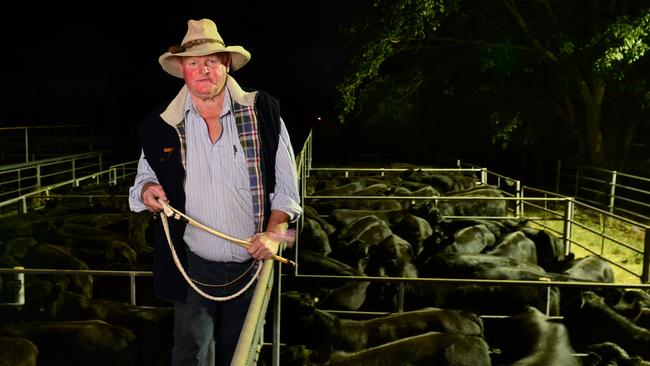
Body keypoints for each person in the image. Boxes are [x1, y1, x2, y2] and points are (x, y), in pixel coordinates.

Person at [128, 18, 302, 366]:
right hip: (194, 267)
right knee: (192, 355)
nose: (203, 69)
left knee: (241, 353)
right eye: (194, 62)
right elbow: (142, 182)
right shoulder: (161, 125)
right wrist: (148, 190)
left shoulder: (262, 113)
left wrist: (274, 233)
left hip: (250, 266)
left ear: (226, 64)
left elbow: (286, 189)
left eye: (211, 60)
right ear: (182, 69)